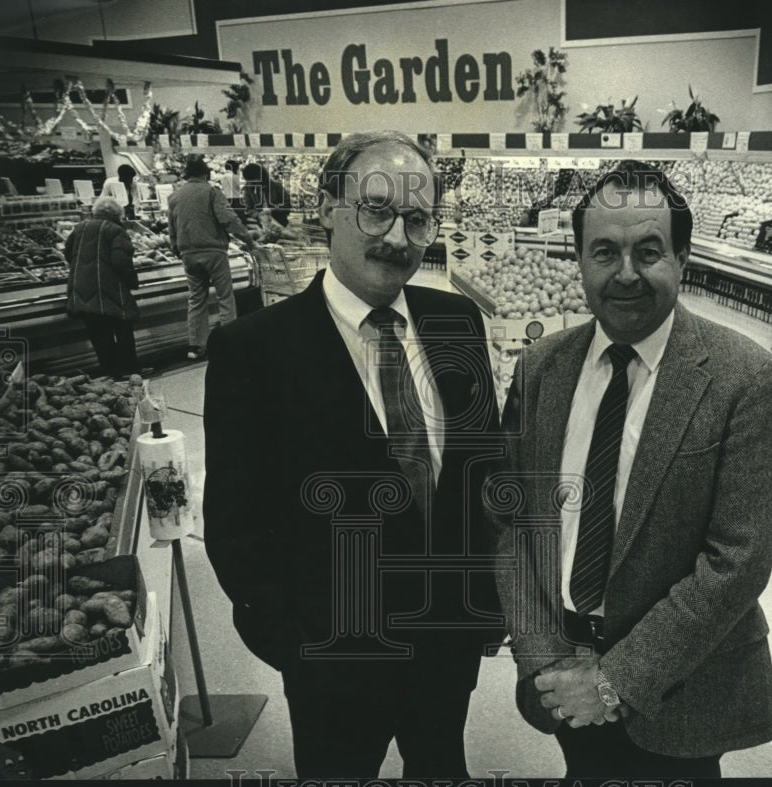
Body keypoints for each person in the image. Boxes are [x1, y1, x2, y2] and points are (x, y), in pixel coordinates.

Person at [203, 131, 502, 777]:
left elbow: (483, 470)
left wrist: (486, 604)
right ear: (327, 208)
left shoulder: (457, 321)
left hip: (447, 651)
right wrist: (298, 646)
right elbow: (235, 526)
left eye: (417, 219)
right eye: (375, 209)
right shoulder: (253, 350)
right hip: (331, 665)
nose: (397, 236)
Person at [493, 162, 772, 778]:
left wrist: (614, 681)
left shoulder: (744, 378)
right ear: (578, 259)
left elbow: (738, 561)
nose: (625, 274)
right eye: (604, 251)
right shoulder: (541, 368)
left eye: (648, 251)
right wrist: (542, 657)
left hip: (681, 691)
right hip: (561, 672)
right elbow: (512, 522)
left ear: (682, 258)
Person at [167, 156, 255, 361]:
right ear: (205, 174)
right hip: (213, 252)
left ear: (187, 175)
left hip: (188, 254)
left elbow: (172, 229)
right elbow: (228, 219)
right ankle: (230, 343)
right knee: (225, 297)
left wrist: (178, 250)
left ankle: (196, 346)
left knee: (196, 299)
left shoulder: (174, 197)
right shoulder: (211, 192)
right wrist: (247, 239)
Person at [64, 196, 140, 379]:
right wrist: (132, 281)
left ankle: (110, 371)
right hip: (109, 288)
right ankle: (128, 370)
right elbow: (120, 261)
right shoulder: (115, 230)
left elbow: (68, 254)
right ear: (117, 215)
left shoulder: (80, 228)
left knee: (98, 333)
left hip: (81, 289)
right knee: (123, 329)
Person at [241, 161, 292, 228]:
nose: (250, 183)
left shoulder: (276, 186)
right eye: (249, 181)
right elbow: (248, 209)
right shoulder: (248, 188)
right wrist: (258, 215)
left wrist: (272, 210)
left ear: (261, 177)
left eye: (253, 180)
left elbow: (287, 205)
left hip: (280, 223)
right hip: (260, 225)